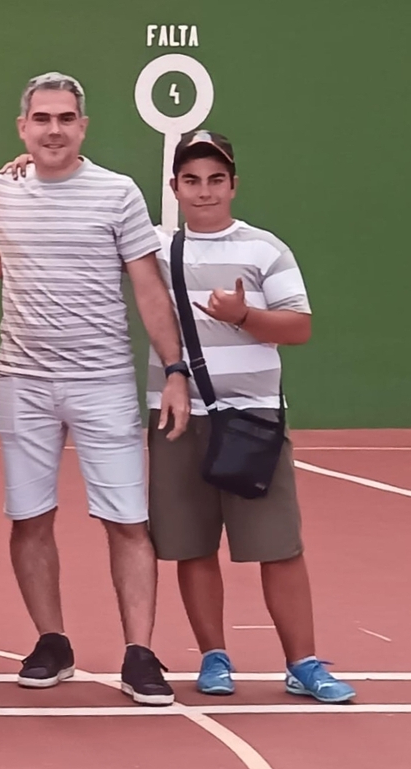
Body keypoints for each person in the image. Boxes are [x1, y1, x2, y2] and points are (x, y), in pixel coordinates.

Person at [0, 72, 190, 706]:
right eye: (41, 118)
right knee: (29, 519)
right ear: (23, 127)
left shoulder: (117, 193)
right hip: (22, 381)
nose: (53, 129)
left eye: (65, 118)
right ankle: (51, 642)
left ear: (82, 126)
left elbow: (147, 287)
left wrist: (174, 371)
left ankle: (139, 654)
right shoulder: (0, 191)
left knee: (128, 524)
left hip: (105, 381)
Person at [148, 130, 355, 703]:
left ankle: (304, 663)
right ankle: (214, 658)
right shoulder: (157, 250)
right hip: (179, 416)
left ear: (233, 185)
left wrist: (244, 316)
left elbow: (299, 327)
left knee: (279, 546)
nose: (205, 191)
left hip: (255, 419)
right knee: (192, 544)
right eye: (192, 180)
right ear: (175, 188)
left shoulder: (267, 249)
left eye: (216, 179)